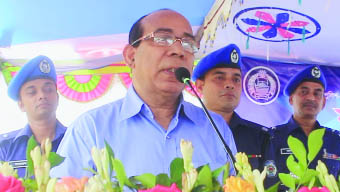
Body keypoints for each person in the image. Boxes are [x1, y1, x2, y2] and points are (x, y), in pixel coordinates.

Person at [51, 9, 237, 178]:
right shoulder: (91, 129)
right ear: (131, 56)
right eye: (163, 39)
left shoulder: (216, 129)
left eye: (188, 43)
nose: (179, 50)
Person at [263, 65, 340, 190]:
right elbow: (267, 183)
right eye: (304, 92)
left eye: (317, 93)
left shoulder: (336, 140)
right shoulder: (272, 137)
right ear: (291, 99)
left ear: (323, 103)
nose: (311, 98)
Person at [192, 44, 269, 171]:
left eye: (236, 79)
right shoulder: (185, 130)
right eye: (220, 78)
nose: (229, 84)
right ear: (200, 86)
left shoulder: (260, 136)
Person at [0, 55, 66, 177]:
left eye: (48, 89)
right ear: (21, 104)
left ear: (57, 98)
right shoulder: (5, 146)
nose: (42, 95)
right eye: (32, 92)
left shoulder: (75, 138)